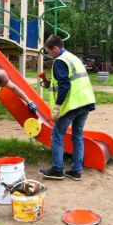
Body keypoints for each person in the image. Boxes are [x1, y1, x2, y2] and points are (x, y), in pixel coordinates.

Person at [39, 35, 95, 181]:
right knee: (77, 135)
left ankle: (57, 169)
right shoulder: (73, 57)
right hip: (86, 101)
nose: (49, 54)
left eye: (49, 51)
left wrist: (57, 107)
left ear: (55, 48)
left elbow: (65, 85)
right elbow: (69, 79)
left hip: (72, 104)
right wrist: (48, 83)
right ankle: (76, 171)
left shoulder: (60, 61)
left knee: (57, 134)